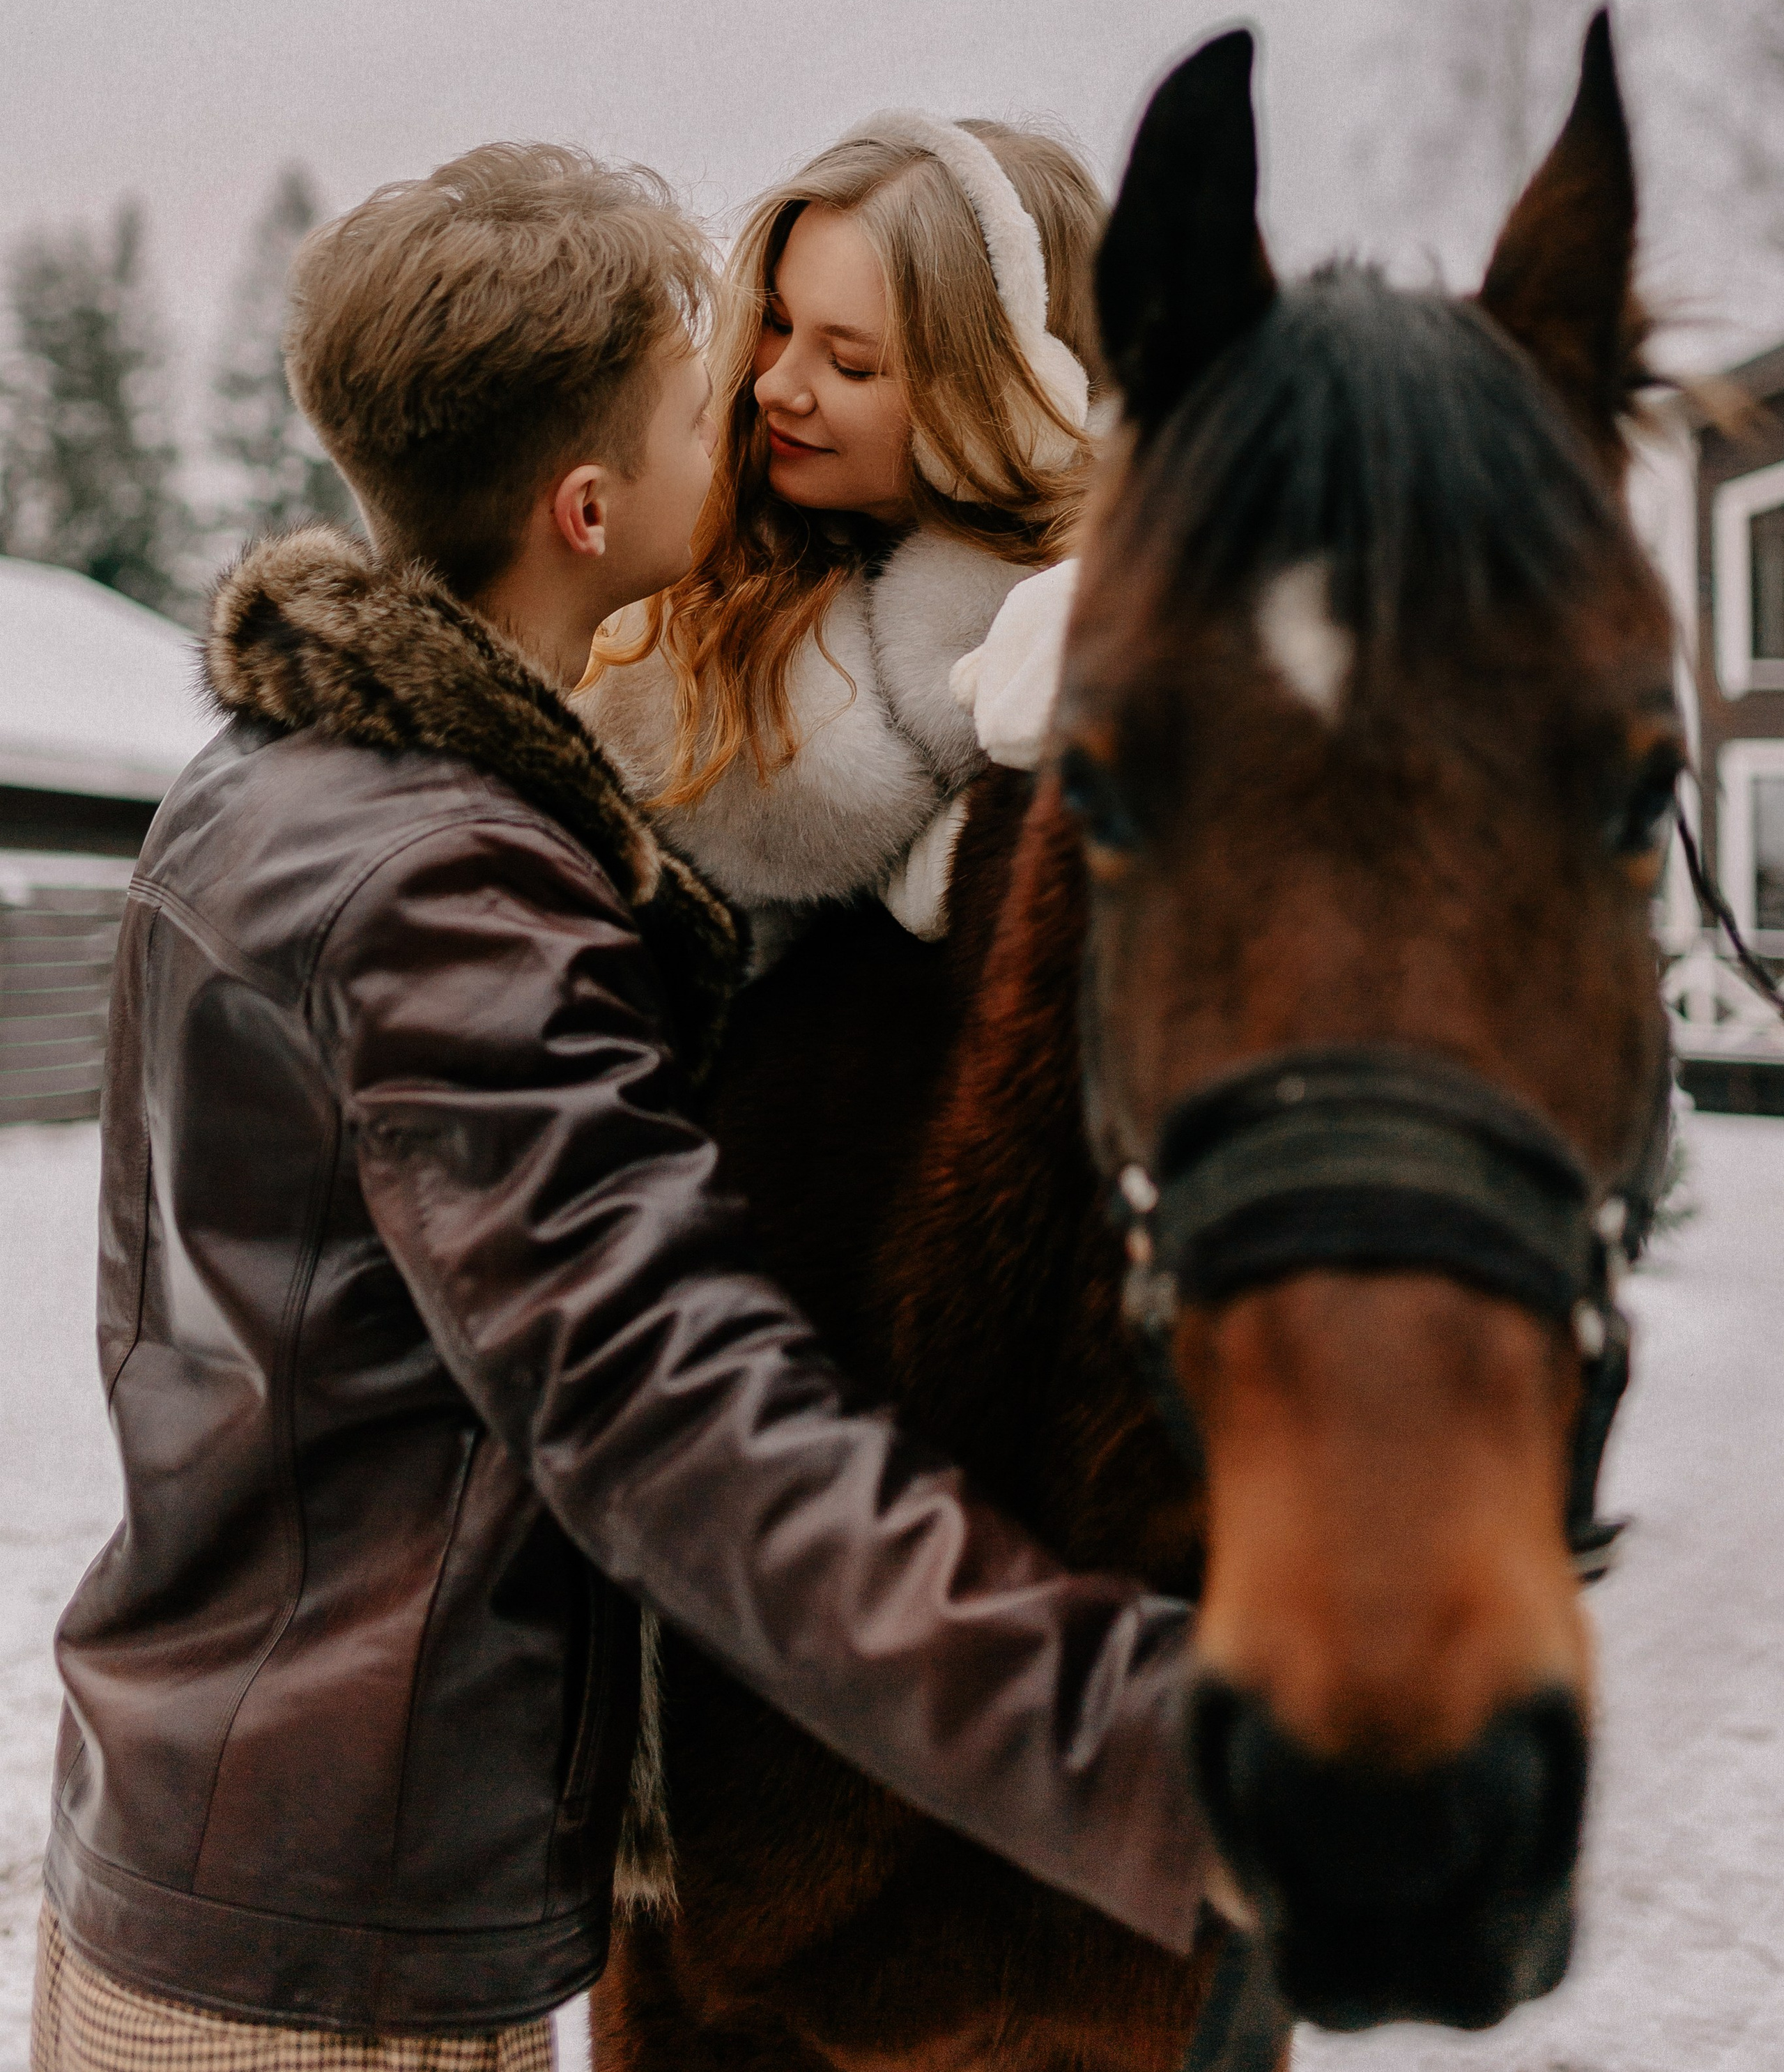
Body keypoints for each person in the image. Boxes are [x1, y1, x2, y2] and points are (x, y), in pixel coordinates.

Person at [33, 144, 1215, 2070]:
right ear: (589, 504)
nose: (752, 403)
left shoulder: (268, 785)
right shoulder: (449, 881)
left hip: (223, 1838)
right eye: (710, 384)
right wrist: (1135, 1728)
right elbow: (662, 1400)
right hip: (341, 1957)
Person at [575, 116, 1099, 960]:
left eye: (850, 364)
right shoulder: (655, 584)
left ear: (1012, 403)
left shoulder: (1106, 648)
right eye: (776, 322)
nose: (775, 386)